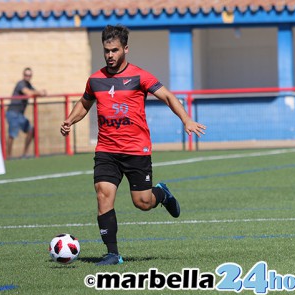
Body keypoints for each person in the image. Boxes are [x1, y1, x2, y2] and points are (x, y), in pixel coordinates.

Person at [60, 24, 206, 266]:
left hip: (136, 150)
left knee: (143, 202)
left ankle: (162, 193)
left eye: (115, 50)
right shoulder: (95, 80)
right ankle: (112, 253)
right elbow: (84, 104)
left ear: (125, 49)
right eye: (106, 50)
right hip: (106, 150)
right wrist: (70, 120)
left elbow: (168, 96)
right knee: (103, 195)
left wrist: (186, 119)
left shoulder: (140, 76)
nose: (110, 55)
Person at [6, 67, 46, 159]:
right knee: (12, 134)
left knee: (31, 130)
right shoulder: (21, 84)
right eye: (26, 75)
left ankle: (24, 154)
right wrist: (39, 92)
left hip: (20, 114)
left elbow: (35, 92)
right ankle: (8, 156)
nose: (27, 76)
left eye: (29, 75)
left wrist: (41, 92)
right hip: (12, 112)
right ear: (23, 75)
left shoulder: (29, 85)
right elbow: (28, 93)